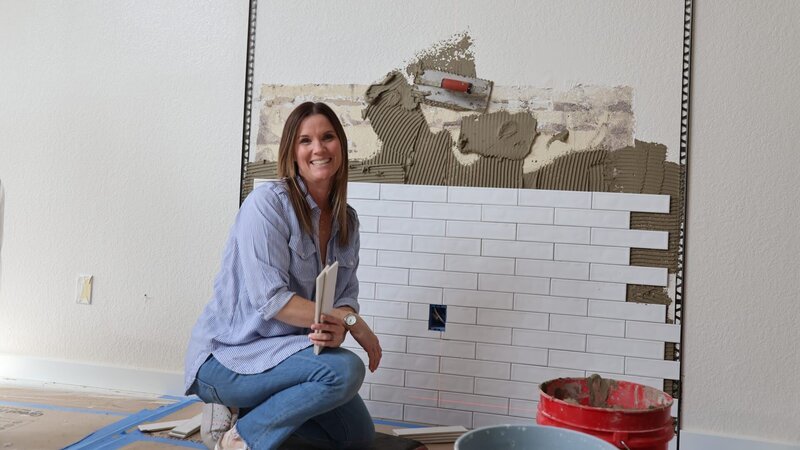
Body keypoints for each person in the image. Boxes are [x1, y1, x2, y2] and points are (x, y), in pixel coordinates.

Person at [184, 102, 382, 450]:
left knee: (356, 439)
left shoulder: (346, 220)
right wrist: (353, 324)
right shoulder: (266, 204)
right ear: (292, 152)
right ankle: (240, 438)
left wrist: (339, 322)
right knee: (346, 371)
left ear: (341, 148)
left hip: (290, 354)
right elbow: (272, 301)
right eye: (305, 141)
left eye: (328, 137)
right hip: (230, 357)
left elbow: (345, 295)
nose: (318, 148)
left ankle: (247, 412)